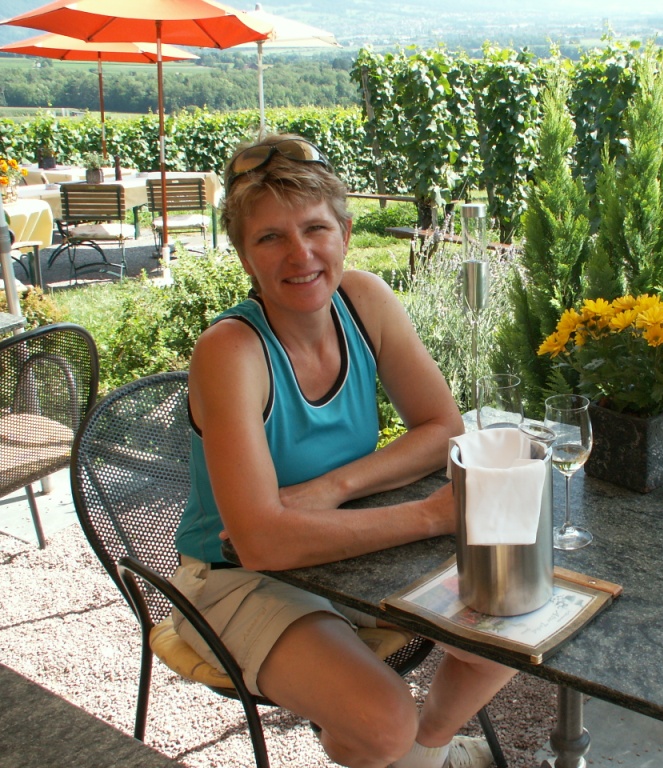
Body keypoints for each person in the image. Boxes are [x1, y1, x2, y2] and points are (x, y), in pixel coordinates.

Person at [172, 134, 516, 768]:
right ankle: (413, 755)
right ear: (244, 256)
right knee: (383, 723)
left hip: (344, 552)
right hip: (233, 579)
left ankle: (426, 754)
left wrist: (333, 488)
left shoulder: (364, 302)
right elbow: (262, 542)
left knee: (511, 609)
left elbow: (441, 426)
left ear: (346, 234)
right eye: (269, 237)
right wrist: (431, 515)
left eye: (315, 228)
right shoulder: (231, 351)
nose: (299, 254)